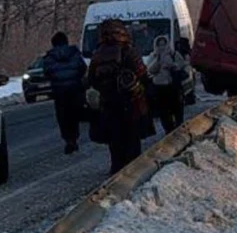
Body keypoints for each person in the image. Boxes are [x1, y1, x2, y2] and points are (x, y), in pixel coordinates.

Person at [87, 18, 150, 175]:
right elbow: (141, 73)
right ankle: (134, 172)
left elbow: (90, 79)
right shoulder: (128, 50)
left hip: (108, 104)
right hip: (130, 102)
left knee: (115, 142)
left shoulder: (98, 53)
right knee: (132, 139)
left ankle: (116, 170)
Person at [43, 31, 87, 154]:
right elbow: (82, 68)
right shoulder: (74, 53)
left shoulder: (50, 57)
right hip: (74, 89)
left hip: (59, 92)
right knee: (74, 114)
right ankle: (74, 136)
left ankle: (68, 139)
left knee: (63, 116)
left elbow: (47, 72)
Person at [147, 35, 185, 133]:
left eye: (164, 44)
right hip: (159, 88)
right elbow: (150, 70)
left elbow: (181, 65)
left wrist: (172, 66)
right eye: (159, 45)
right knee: (164, 113)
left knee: (177, 110)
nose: (162, 47)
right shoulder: (153, 56)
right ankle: (169, 131)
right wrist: (158, 60)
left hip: (172, 86)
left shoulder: (174, 54)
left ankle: (179, 129)